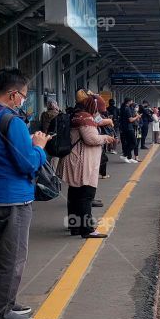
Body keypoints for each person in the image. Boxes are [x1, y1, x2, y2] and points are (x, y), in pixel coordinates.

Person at [0, 68, 50, 319]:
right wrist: (39, 148)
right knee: (11, 257)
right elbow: (26, 163)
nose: (24, 99)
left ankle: (0, 302)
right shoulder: (10, 121)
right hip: (12, 199)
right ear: (13, 95)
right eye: (24, 95)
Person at [65, 94, 115, 239]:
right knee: (86, 195)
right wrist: (107, 138)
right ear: (94, 107)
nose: (99, 113)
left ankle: (75, 226)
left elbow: (97, 122)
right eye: (98, 110)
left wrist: (107, 120)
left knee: (74, 194)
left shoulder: (78, 115)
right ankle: (87, 229)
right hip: (83, 162)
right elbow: (91, 139)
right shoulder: (86, 118)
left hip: (76, 159)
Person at [118, 98, 140, 162]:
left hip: (124, 128)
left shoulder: (123, 108)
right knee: (134, 143)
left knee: (129, 142)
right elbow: (130, 120)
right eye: (132, 101)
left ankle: (129, 157)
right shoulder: (127, 109)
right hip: (129, 128)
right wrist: (137, 117)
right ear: (129, 102)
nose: (132, 102)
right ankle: (125, 155)